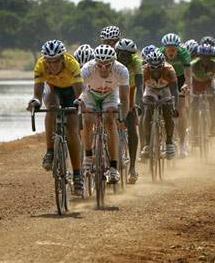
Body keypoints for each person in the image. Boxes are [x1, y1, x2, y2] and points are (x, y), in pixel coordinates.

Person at [26, 40, 85, 196]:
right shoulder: (40, 65)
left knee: (72, 132)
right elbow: (38, 94)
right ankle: (50, 152)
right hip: (53, 90)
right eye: (49, 61)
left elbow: (79, 93)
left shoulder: (72, 64)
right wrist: (35, 101)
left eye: (56, 61)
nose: (52, 65)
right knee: (51, 106)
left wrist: (79, 103)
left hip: (71, 91)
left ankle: (78, 175)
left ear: (62, 58)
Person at [80, 44, 129, 184]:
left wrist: (122, 118)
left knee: (110, 120)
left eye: (107, 65)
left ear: (113, 62)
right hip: (90, 94)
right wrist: (81, 106)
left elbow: (125, 98)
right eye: (100, 65)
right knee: (88, 120)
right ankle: (88, 155)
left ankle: (114, 167)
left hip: (110, 95)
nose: (103, 68)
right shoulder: (86, 69)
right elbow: (79, 92)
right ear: (95, 62)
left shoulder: (121, 70)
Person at [141, 50, 179, 160]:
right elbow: (142, 88)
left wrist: (175, 107)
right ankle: (148, 144)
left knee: (168, 112)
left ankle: (169, 142)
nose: (156, 71)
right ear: (148, 65)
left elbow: (175, 91)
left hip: (165, 89)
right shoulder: (144, 70)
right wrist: (142, 102)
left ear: (163, 65)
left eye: (159, 68)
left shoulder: (169, 70)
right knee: (148, 112)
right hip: (150, 90)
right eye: (153, 68)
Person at [115, 38, 143, 184]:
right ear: (117, 52)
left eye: (128, 55)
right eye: (122, 54)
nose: (125, 58)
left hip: (130, 94)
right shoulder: (111, 59)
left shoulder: (136, 63)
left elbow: (140, 85)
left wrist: (138, 104)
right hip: (113, 93)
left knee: (132, 130)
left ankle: (132, 167)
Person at [159, 33, 192, 158]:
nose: (171, 52)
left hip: (180, 79)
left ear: (178, 48)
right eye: (169, 49)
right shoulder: (160, 53)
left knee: (181, 109)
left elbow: (188, 76)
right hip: (165, 79)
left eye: (174, 49)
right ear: (165, 49)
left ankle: (182, 145)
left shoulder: (184, 54)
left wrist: (186, 86)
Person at [191, 44, 215, 137]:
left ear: (211, 57)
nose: (205, 59)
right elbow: (188, 79)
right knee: (194, 107)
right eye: (203, 57)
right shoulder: (193, 64)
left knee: (213, 103)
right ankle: (195, 132)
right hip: (196, 84)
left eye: (208, 57)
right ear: (199, 56)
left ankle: (213, 127)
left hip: (208, 83)